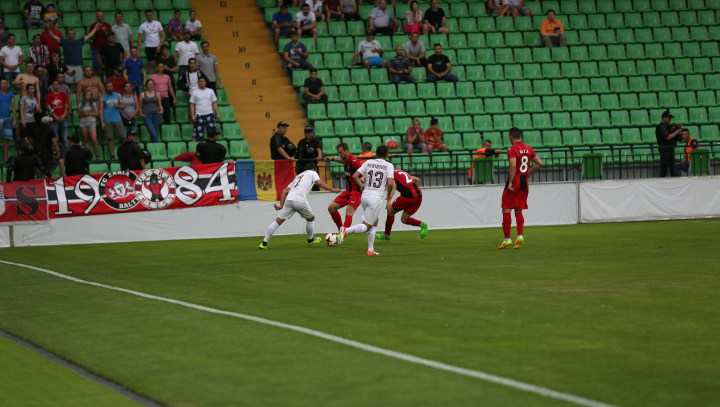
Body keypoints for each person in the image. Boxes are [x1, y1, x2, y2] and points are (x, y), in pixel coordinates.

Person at [259, 162, 340, 249]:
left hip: (289, 199)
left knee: (278, 221)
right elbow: (319, 183)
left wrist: (281, 205)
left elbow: (285, 191)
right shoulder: (313, 173)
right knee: (311, 218)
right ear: (314, 169)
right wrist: (333, 189)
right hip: (299, 199)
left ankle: (264, 243)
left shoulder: (298, 176)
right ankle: (310, 239)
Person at [339, 145, 395, 255]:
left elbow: (355, 175)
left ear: (376, 154)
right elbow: (390, 183)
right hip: (376, 197)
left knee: (375, 221)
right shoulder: (389, 165)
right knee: (367, 225)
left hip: (364, 195)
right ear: (387, 155)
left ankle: (370, 249)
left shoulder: (369, 162)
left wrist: (360, 185)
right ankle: (346, 230)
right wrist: (388, 195)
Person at [499, 127, 542, 250]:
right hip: (524, 182)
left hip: (515, 180)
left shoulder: (512, 149)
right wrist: (528, 174)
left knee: (506, 208)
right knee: (518, 209)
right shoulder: (528, 148)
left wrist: (510, 183)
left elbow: (513, 165)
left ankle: (507, 239)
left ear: (511, 137)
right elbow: (539, 163)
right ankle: (520, 236)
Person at [376, 168, 427, 240]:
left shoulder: (390, 174)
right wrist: (415, 192)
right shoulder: (399, 171)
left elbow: (393, 186)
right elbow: (416, 179)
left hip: (408, 196)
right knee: (404, 219)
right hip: (419, 196)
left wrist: (389, 200)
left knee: (390, 211)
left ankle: (386, 235)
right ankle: (422, 224)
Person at [323, 142, 363, 231]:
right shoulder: (347, 160)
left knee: (349, 211)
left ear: (346, 151)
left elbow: (365, 170)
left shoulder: (354, 161)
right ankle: (341, 230)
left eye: (341, 153)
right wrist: (332, 159)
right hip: (349, 190)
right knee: (331, 208)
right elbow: (343, 161)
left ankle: (342, 234)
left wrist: (363, 178)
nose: (339, 155)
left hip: (356, 191)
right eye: (338, 153)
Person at [46, 25, 99, 92]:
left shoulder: (79, 41)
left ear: (74, 35)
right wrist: (48, 28)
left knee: (80, 86)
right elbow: (53, 36)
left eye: (73, 34)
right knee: (70, 87)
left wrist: (96, 27)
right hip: (68, 67)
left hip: (78, 66)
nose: (71, 35)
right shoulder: (64, 42)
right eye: (70, 34)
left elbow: (89, 36)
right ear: (68, 35)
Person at [177, 58, 208, 124]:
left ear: (196, 64)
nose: (192, 65)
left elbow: (207, 81)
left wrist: (203, 90)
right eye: (191, 63)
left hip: (199, 94)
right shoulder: (185, 73)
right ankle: (190, 128)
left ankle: (199, 126)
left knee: (199, 112)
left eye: (194, 63)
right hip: (190, 95)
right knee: (190, 113)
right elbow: (178, 84)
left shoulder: (199, 72)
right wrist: (186, 90)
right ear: (189, 64)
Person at [99, 80, 125, 156]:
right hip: (107, 119)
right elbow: (100, 111)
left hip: (117, 118)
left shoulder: (118, 95)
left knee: (123, 137)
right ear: (105, 88)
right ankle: (112, 155)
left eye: (111, 86)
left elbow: (123, 106)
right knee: (110, 138)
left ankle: (125, 153)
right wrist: (102, 122)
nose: (109, 88)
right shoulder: (102, 97)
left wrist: (118, 106)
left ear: (113, 86)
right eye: (108, 87)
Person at [655, 110, 683, 178]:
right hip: (664, 149)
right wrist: (676, 132)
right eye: (669, 118)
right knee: (664, 166)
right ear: (664, 117)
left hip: (670, 148)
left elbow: (671, 129)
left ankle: (673, 179)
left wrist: (676, 127)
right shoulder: (661, 126)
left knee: (672, 166)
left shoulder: (666, 126)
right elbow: (667, 137)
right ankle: (663, 180)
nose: (670, 120)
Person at [138, 10, 165, 74]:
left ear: (152, 15)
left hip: (158, 46)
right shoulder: (142, 25)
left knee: (160, 65)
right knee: (151, 65)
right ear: (145, 16)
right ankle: (152, 81)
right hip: (149, 47)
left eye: (150, 15)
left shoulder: (158, 23)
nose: (149, 16)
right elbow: (139, 39)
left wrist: (160, 46)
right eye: (148, 15)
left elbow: (163, 35)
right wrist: (138, 51)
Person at [46, 78, 68, 147]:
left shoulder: (63, 94)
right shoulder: (49, 95)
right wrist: (54, 116)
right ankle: (56, 154)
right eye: (54, 84)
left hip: (63, 118)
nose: (56, 86)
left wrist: (64, 115)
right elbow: (48, 107)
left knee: (65, 138)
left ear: (59, 85)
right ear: (52, 86)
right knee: (56, 139)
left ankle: (66, 154)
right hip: (54, 119)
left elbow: (66, 105)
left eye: (57, 84)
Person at [77, 89, 99, 159]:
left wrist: (88, 113)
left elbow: (97, 113)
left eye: (90, 95)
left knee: (94, 139)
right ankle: (89, 156)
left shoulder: (93, 104)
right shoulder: (80, 105)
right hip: (83, 123)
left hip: (92, 123)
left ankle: (97, 155)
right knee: (86, 140)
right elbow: (79, 115)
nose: (89, 96)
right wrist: (84, 114)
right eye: (87, 94)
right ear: (84, 96)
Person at [89, 11, 113, 77]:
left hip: (106, 50)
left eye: (102, 16)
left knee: (105, 67)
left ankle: (106, 83)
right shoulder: (93, 25)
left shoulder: (107, 25)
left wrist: (105, 31)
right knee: (95, 67)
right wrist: (95, 31)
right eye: (99, 16)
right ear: (96, 17)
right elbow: (90, 38)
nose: (101, 17)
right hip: (96, 49)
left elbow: (110, 38)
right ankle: (94, 83)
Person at [139, 79, 161, 143]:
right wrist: (140, 113)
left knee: (154, 134)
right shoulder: (142, 94)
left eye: (152, 84)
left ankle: (152, 149)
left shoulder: (157, 94)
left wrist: (162, 110)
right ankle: (158, 146)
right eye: (149, 84)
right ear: (146, 85)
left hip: (156, 115)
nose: (151, 85)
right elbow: (140, 106)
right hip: (147, 116)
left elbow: (160, 104)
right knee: (153, 133)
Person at [0, 78, 17, 162]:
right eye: (2, 83)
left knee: (6, 140)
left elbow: (13, 106)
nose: (4, 85)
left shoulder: (10, 94)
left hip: (7, 118)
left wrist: (14, 119)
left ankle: (5, 159)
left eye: (5, 83)